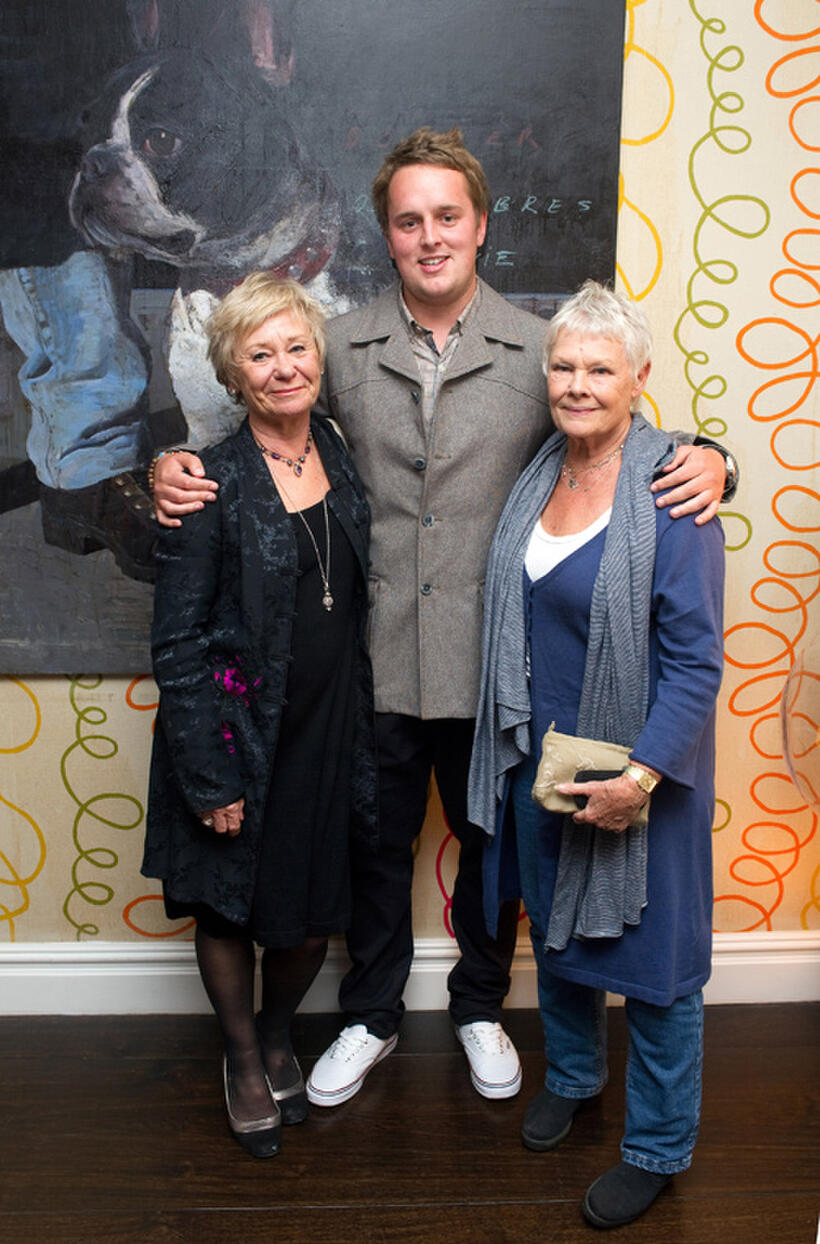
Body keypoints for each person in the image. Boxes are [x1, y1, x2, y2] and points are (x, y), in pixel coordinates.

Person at [151, 128, 733, 1108]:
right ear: (386, 234)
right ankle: (371, 1011)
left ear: (480, 226)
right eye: (408, 220)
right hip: (373, 663)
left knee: (493, 851)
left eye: (446, 217)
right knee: (373, 850)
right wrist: (173, 464)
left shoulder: (538, 347)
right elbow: (268, 422)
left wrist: (717, 454)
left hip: (497, 666)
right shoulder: (336, 344)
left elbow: (621, 427)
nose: (429, 236)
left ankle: (475, 1004)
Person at [468, 281, 724, 1228]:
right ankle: (573, 1077)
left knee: (658, 970)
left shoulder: (675, 489)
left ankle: (657, 1146)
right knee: (561, 938)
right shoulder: (542, 469)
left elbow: (699, 662)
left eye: (600, 369)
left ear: (638, 379)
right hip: (545, 761)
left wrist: (642, 777)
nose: (578, 385)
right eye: (565, 366)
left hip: (644, 770)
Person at [142, 272, 377, 1156]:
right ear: (234, 377)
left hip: (330, 729)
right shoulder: (207, 480)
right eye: (260, 355)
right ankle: (243, 1058)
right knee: (229, 912)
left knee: (313, 907)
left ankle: (281, 1030)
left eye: (297, 348)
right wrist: (209, 775)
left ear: (319, 357)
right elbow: (177, 643)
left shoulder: (343, 451)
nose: (284, 369)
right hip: (237, 738)